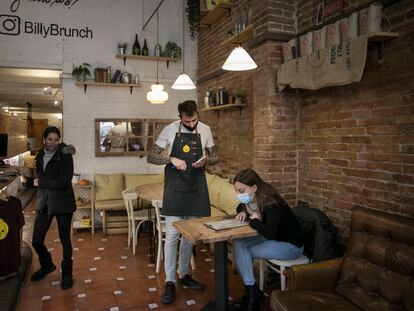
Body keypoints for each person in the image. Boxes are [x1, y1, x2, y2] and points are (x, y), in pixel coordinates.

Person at [147, 100, 218, 304]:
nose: (192, 124)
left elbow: (215, 157)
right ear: (180, 118)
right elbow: (151, 157)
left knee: (189, 237)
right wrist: (171, 160)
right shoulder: (169, 130)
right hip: (175, 189)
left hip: (196, 187)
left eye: (194, 119)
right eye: (187, 121)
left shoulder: (205, 129)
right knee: (172, 236)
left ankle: (184, 275)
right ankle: (170, 281)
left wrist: (206, 161)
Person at [231, 168, 306, 311]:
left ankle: (252, 294)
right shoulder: (253, 198)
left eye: (241, 191)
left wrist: (254, 222)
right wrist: (241, 211)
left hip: (291, 246)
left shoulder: (271, 202)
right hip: (274, 239)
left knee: (242, 250)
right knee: (237, 243)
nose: (238, 194)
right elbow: (241, 205)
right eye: (237, 191)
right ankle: (252, 291)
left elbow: (270, 233)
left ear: (254, 187)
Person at [29, 126, 77, 290]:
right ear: (44, 140)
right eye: (50, 140)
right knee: (36, 240)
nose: (53, 143)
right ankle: (47, 265)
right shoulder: (40, 155)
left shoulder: (66, 154)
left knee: (65, 240)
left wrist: (41, 183)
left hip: (63, 201)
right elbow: (41, 176)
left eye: (56, 140)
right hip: (45, 200)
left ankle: (67, 274)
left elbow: (64, 180)